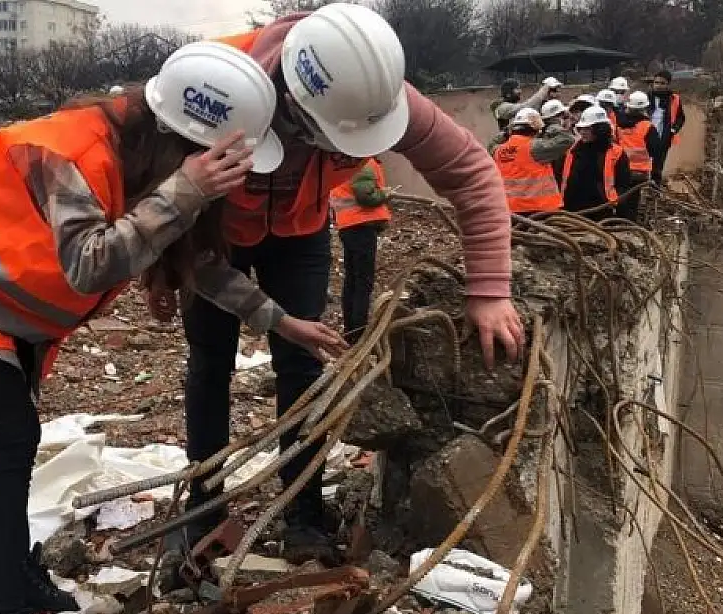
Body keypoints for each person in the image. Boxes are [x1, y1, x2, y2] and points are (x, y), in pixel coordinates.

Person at [0, 41, 286, 614]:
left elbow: (193, 258)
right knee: (8, 441)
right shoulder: (70, 154)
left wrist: (279, 322)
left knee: (13, 444)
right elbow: (90, 264)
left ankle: (13, 576)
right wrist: (188, 190)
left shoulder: (141, 157)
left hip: (6, 305)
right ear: (187, 139)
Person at [152, 3, 524, 570]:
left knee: (302, 365)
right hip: (213, 235)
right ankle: (201, 513)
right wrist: (163, 267)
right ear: (295, 106)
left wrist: (491, 287)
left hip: (299, 232)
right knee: (210, 364)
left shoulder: (367, 87)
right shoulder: (214, 81)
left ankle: (303, 515)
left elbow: (472, 173)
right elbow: (157, 191)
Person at [330, 159, 391, 344]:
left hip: (347, 226)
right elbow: (366, 196)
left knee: (352, 280)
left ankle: (351, 331)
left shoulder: (343, 161)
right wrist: (385, 194)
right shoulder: (364, 163)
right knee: (363, 282)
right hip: (362, 226)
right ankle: (359, 333)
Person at [492, 108, 567, 215]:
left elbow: (491, 144)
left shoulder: (498, 150)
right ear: (536, 129)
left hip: (511, 211)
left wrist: (505, 133)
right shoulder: (535, 147)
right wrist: (551, 124)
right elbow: (567, 139)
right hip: (540, 209)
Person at [561, 105, 633, 216]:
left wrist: (616, 203)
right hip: (573, 209)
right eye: (581, 129)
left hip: (603, 210)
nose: (583, 132)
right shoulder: (573, 151)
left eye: (587, 129)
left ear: (600, 129)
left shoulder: (616, 153)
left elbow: (623, 185)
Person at [616, 91, 660, 221]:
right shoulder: (647, 127)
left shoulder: (619, 124)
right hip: (639, 171)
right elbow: (655, 150)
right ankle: (630, 225)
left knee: (621, 197)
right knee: (634, 200)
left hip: (620, 169)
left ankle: (619, 221)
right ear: (644, 108)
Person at [648, 70, 685, 184]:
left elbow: (681, 118)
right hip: (645, 137)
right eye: (656, 82)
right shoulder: (645, 97)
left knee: (657, 168)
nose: (658, 86)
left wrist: (673, 130)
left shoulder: (674, 99)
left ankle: (655, 191)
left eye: (662, 83)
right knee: (641, 167)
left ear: (668, 84)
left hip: (663, 138)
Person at [492, 76, 562, 131]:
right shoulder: (502, 108)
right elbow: (526, 107)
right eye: (517, 89)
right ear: (508, 93)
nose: (520, 91)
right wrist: (544, 90)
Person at [539, 99, 576, 183]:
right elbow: (572, 141)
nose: (567, 119)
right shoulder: (560, 135)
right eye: (564, 116)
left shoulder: (540, 135)